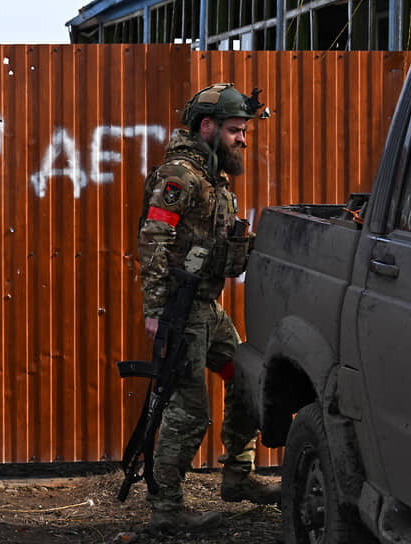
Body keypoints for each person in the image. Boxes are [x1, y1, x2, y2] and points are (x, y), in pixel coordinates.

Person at [137, 83, 278, 528]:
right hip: (182, 311)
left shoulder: (212, 175)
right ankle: (167, 510)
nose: (243, 139)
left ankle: (238, 475)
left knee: (246, 378)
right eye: (236, 130)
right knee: (189, 409)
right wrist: (156, 310)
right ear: (207, 126)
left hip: (207, 308)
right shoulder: (181, 176)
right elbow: (154, 239)